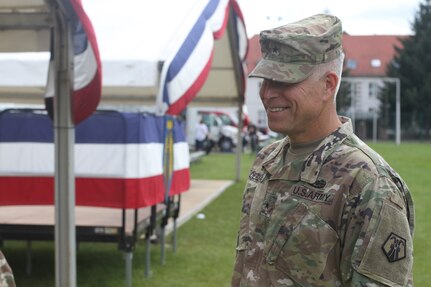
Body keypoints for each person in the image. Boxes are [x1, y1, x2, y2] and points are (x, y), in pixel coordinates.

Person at [231, 14, 414, 287]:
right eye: (265, 80)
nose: (267, 93)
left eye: (283, 81)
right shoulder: (266, 161)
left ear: (328, 85)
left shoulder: (367, 183)